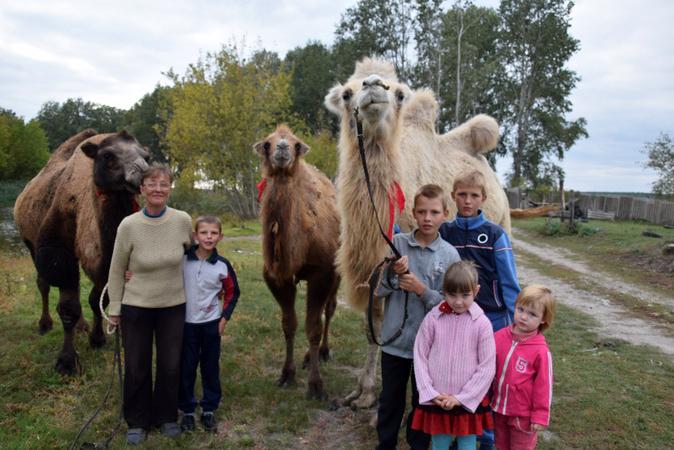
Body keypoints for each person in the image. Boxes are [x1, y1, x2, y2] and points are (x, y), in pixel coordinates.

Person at [107, 163, 193, 445]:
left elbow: (194, 258)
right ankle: (137, 420)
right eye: (152, 184)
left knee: (170, 365)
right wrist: (115, 307)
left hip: (173, 305)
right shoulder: (128, 225)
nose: (158, 189)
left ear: (170, 188)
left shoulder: (182, 220)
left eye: (164, 184)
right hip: (136, 306)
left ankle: (167, 417)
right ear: (142, 189)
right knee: (137, 365)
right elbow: (117, 268)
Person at [376, 184, 461, 450]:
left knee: (423, 402)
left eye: (434, 212)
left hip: (430, 348)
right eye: (422, 211)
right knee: (390, 399)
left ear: (445, 214)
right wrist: (392, 273)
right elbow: (379, 290)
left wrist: (422, 291)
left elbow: (452, 305)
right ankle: (386, 443)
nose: (427, 218)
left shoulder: (449, 255)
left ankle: (419, 445)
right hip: (394, 342)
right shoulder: (398, 244)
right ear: (412, 213)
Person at [439, 170, 521, 449]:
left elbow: (509, 281)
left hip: (492, 317)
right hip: (456, 318)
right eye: (462, 194)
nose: (468, 200)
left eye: (474, 195)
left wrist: (515, 322)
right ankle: (458, 434)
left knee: (486, 380)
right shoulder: (444, 231)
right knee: (458, 376)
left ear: (484, 198)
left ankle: (484, 439)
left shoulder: (495, 234)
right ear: (453, 197)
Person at [411, 261, 496, 450]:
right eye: (452, 295)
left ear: (476, 290)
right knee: (439, 444)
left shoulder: (481, 324)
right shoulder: (433, 318)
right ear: (444, 291)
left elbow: (487, 367)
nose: (458, 302)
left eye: (465, 295)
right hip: (438, 398)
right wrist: (430, 393)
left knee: (467, 445)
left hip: (466, 400)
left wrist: (463, 398)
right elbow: (420, 355)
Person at [179, 215, 240, 433]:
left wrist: (224, 318)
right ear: (195, 236)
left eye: (213, 233)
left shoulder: (222, 266)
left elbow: (233, 292)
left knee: (210, 366)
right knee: (186, 367)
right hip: (187, 324)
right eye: (204, 232)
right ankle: (187, 411)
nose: (208, 237)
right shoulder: (183, 260)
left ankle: (208, 409)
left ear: (220, 237)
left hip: (211, 324)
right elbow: (162, 276)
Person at [491, 285, 555, 450]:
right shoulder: (498, 337)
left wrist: (540, 415)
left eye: (532, 314)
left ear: (543, 319)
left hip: (523, 416)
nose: (524, 317)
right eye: (521, 309)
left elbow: (544, 386)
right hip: (499, 410)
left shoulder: (540, 351)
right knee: (501, 446)